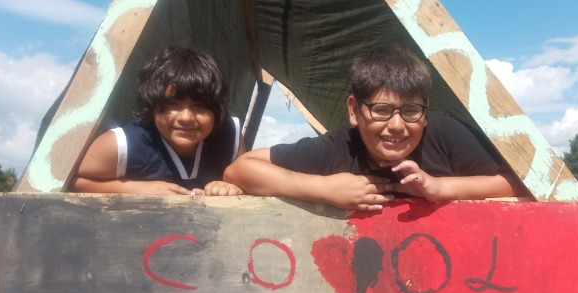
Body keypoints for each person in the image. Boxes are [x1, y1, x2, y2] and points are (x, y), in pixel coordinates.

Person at [223, 45, 525, 210]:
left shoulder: (445, 134)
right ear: (355, 111)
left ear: (425, 111)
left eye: (411, 111)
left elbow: (519, 181)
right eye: (381, 110)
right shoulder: (340, 147)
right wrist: (325, 189)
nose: (397, 126)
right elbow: (240, 169)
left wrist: (441, 188)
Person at [73, 46, 245, 195]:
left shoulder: (229, 134)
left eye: (199, 106)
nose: (186, 117)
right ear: (153, 104)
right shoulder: (123, 143)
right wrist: (136, 189)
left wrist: (232, 187)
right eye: (172, 104)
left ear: (216, 109)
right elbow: (73, 181)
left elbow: (247, 180)